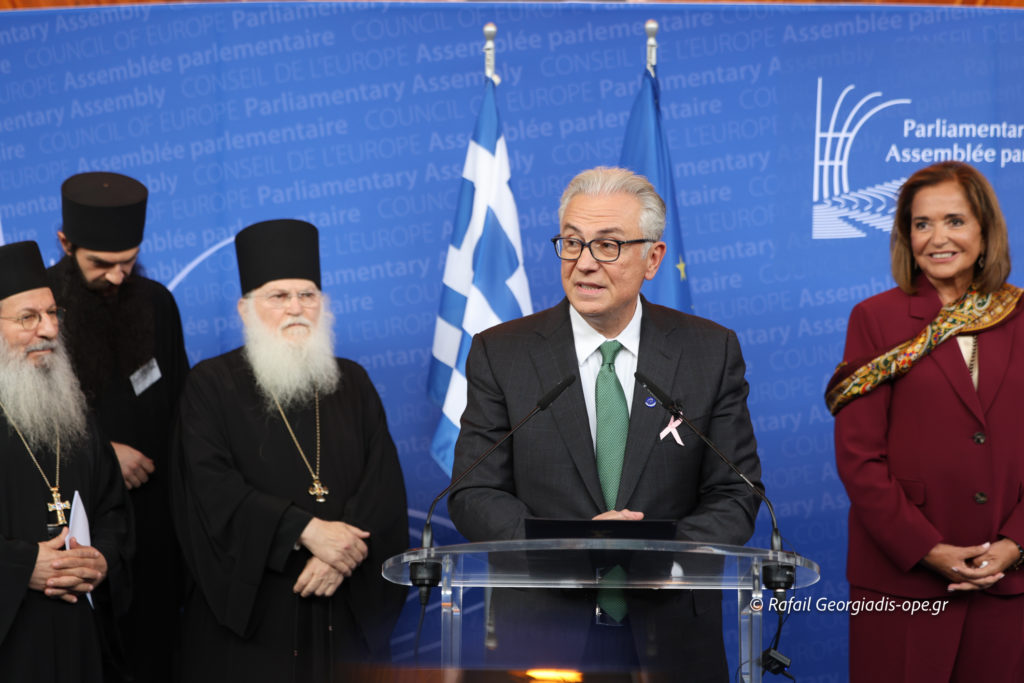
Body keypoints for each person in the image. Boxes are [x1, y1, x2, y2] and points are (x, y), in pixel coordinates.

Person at [447, 167, 762, 676]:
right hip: (542, 631)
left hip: (671, 629)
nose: (585, 263)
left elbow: (736, 493)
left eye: (608, 245)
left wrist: (655, 552)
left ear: (652, 258)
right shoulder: (501, 353)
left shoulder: (709, 351)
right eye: (572, 243)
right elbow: (473, 491)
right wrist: (567, 550)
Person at [172, 219, 409, 682]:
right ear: (245, 309)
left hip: (344, 601)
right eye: (278, 296)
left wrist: (339, 554)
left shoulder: (353, 381)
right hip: (257, 615)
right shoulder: (210, 384)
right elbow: (208, 490)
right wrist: (303, 530)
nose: (296, 308)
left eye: (307, 295)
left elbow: (382, 486)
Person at [827, 161, 1024, 682]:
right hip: (902, 583)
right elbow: (859, 458)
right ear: (905, 236)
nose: (938, 238)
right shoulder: (875, 319)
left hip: (1008, 584)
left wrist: (1014, 544)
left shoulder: (1022, 317)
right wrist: (926, 549)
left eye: (955, 221)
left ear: (985, 230)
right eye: (922, 224)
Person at [47, 171, 189, 683]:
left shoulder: (156, 302)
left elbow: (180, 408)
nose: (116, 276)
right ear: (65, 244)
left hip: (154, 524)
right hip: (75, 524)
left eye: (128, 262)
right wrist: (105, 453)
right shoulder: (38, 311)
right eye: (101, 264)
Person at [0, 240, 131, 682]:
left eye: (53, 313)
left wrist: (101, 559)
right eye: (28, 318)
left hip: (81, 636)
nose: (49, 329)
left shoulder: (73, 412)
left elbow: (113, 509)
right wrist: (21, 566)